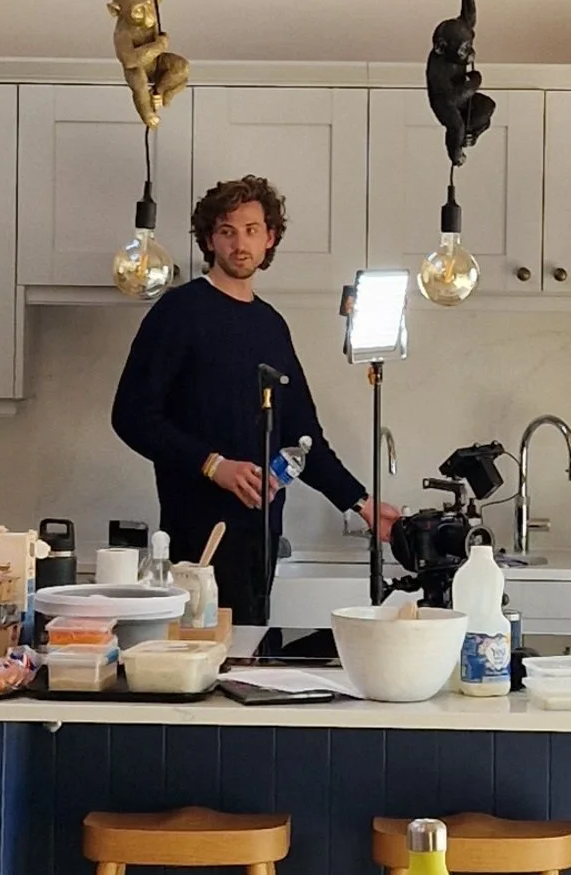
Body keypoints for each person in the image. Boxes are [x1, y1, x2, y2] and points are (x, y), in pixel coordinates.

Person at [110, 173, 388, 626]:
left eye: (252, 230)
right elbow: (131, 416)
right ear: (210, 241)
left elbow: (304, 437)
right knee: (211, 657)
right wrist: (214, 465)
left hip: (261, 533)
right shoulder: (180, 312)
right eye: (227, 231)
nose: (241, 243)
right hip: (199, 534)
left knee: (252, 656)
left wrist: (361, 504)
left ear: (269, 238)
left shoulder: (270, 325)